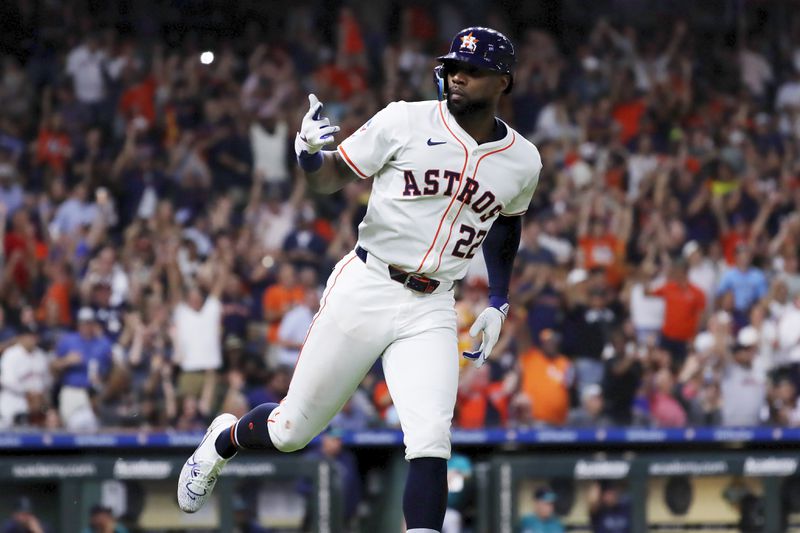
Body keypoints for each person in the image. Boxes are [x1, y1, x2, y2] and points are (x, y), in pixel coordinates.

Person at [178, 26, 542, 533]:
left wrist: (499, 299)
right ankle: (224, 440)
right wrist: (308, 154)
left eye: (473, 70)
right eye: (453, 67)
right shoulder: (404, 120)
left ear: (503, 81)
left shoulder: (523, 159)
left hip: (434, 305)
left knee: (432, 438)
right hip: (368, 283)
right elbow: (330, 178)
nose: (458, 76)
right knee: (290, 430)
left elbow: (507, 221)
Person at [0, 325, 50, 428]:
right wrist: (28, 392)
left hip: (36, 405)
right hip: (14, 401)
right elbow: (6, 380)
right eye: (29, 336)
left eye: (34, 336)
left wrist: (39, 393)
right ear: (21, 337)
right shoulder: (11, 354)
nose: (33, 339)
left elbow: (47, 380)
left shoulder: (41, 355)